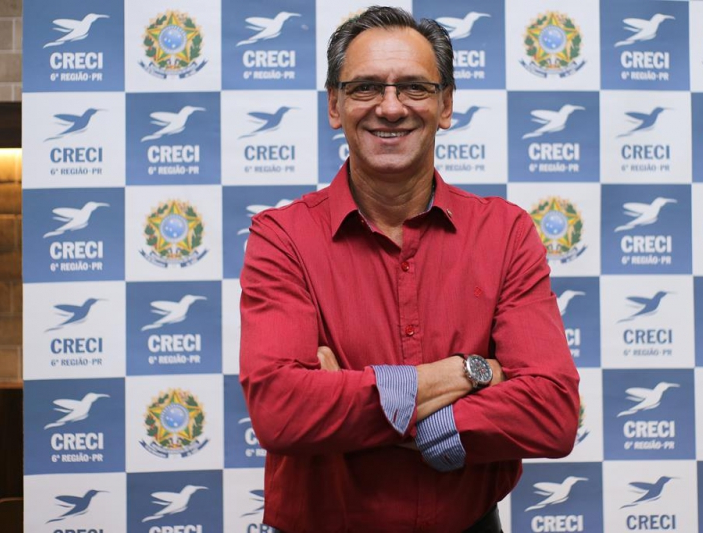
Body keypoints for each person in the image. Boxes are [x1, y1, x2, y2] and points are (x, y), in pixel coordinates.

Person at [239, 6, 580, 532]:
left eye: (415, 88)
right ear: (334, 105)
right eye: (365, 87)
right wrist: (471, 373)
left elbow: (553, 414)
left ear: (446, 105)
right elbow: (282, 412)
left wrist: (353, 405)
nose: (391, 107)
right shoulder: (282, 237)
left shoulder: (506, 232)